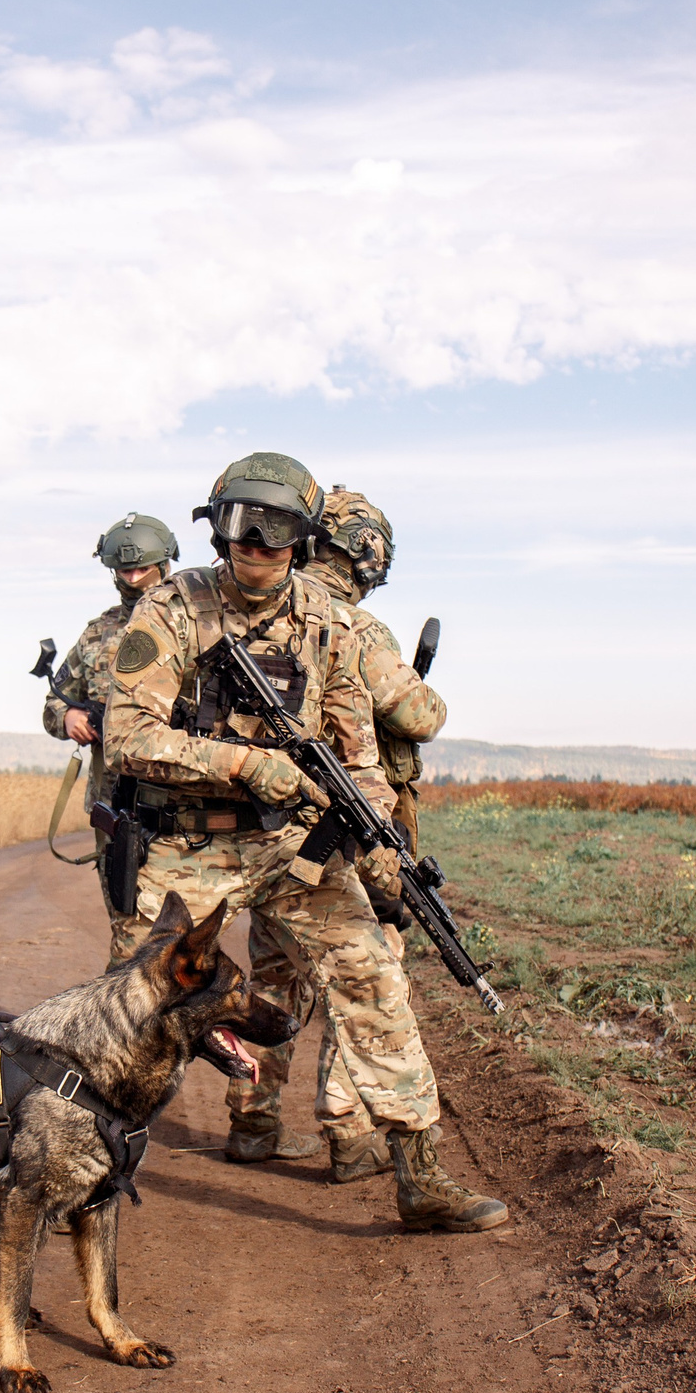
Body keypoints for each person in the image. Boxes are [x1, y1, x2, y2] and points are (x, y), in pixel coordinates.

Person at [101, 452, 507, 1233]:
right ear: (214, 530)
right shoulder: (172, 611)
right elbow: (128, 739)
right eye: (238, 526)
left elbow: (357, 753)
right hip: (185, 848)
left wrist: (381, 843)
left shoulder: (332, 624)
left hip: (291, 848)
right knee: (133, 1013)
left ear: (304, 537)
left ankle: (419, 1175)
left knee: (374, 978)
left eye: (276, 528)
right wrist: (249, 764)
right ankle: (82, 1166)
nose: (254, 543)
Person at [225, 487, 445, 1180]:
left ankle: (253, 1121)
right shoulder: (353, 625)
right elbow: (419, 712)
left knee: (275, 972)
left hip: (267, 832)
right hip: (339, 827)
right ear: (367, 555)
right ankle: (350, 1133)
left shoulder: (262, 607)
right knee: (363, 970)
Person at [41, 513, 180, 964]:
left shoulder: (196, 626)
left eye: (143, 569)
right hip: (114, 804)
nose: (134, 579)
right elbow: (54, 701)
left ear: (166, 564)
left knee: (179, 930)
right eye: (124, 570)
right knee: (125, 921)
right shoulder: (98, 632)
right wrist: (69, 717)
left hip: (182, 803)